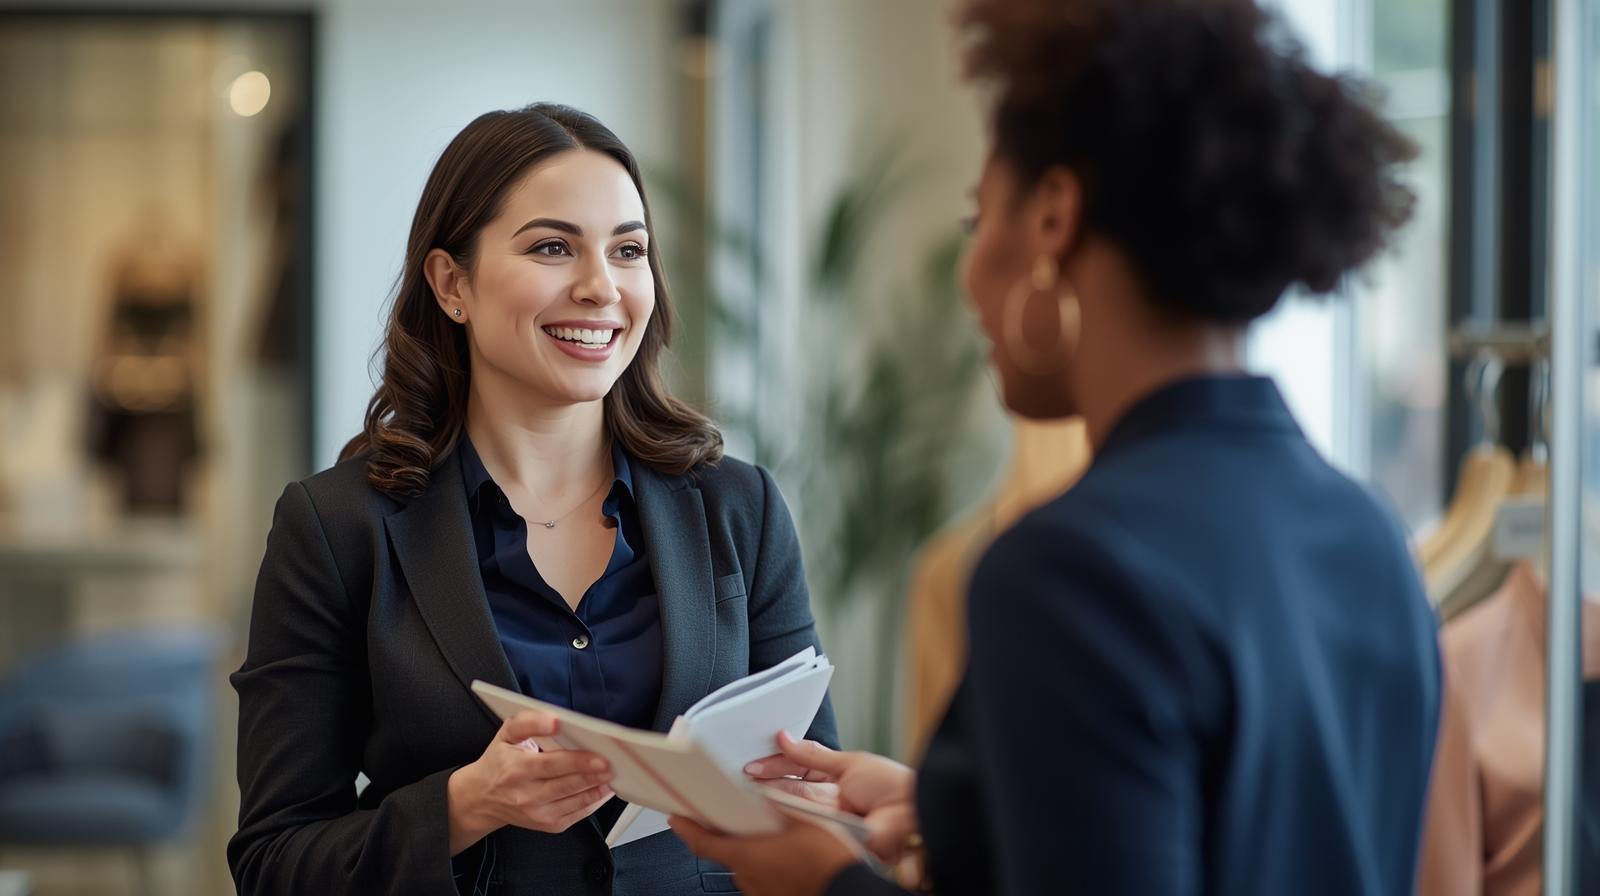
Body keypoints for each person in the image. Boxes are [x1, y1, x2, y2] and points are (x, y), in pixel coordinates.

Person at [669, 1, 1441, 893]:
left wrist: (822, 881)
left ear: (1052, 220)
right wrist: (961, 810)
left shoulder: (1075, 569)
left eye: (976, 220)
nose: (969, 277)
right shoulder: (1366, 531)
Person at [229, 103, 837, 895]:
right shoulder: (338, 529)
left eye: (628, 251)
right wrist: (461, 807)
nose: (600, 287)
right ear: (452, 284)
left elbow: (816, 797)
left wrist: (804, 803)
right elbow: (275, 863)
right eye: (553, 247)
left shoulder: (739, 509)